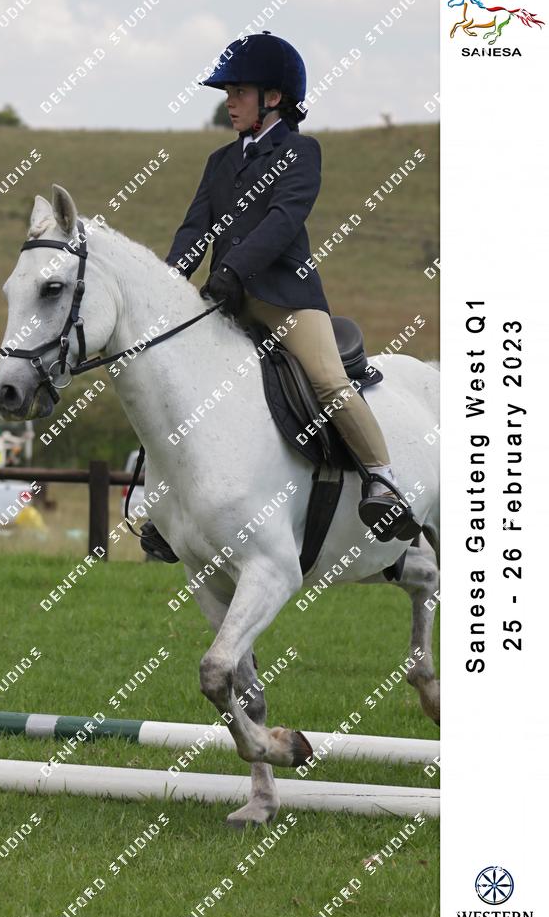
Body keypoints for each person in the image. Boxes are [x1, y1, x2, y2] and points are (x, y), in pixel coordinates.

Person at [140, 32, 417, 563]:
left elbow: (282, 220)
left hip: (285, 298)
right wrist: (168, 285)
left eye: (239, 92)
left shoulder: (300, 152)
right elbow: (194, 228)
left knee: (328, 379)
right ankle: (167, 507)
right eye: (228, 93)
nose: (229, 102)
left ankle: (382, 479)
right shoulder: (220, 161)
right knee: (172, 382)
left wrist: (233, 269)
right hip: (226, 300)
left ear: (273, 97)